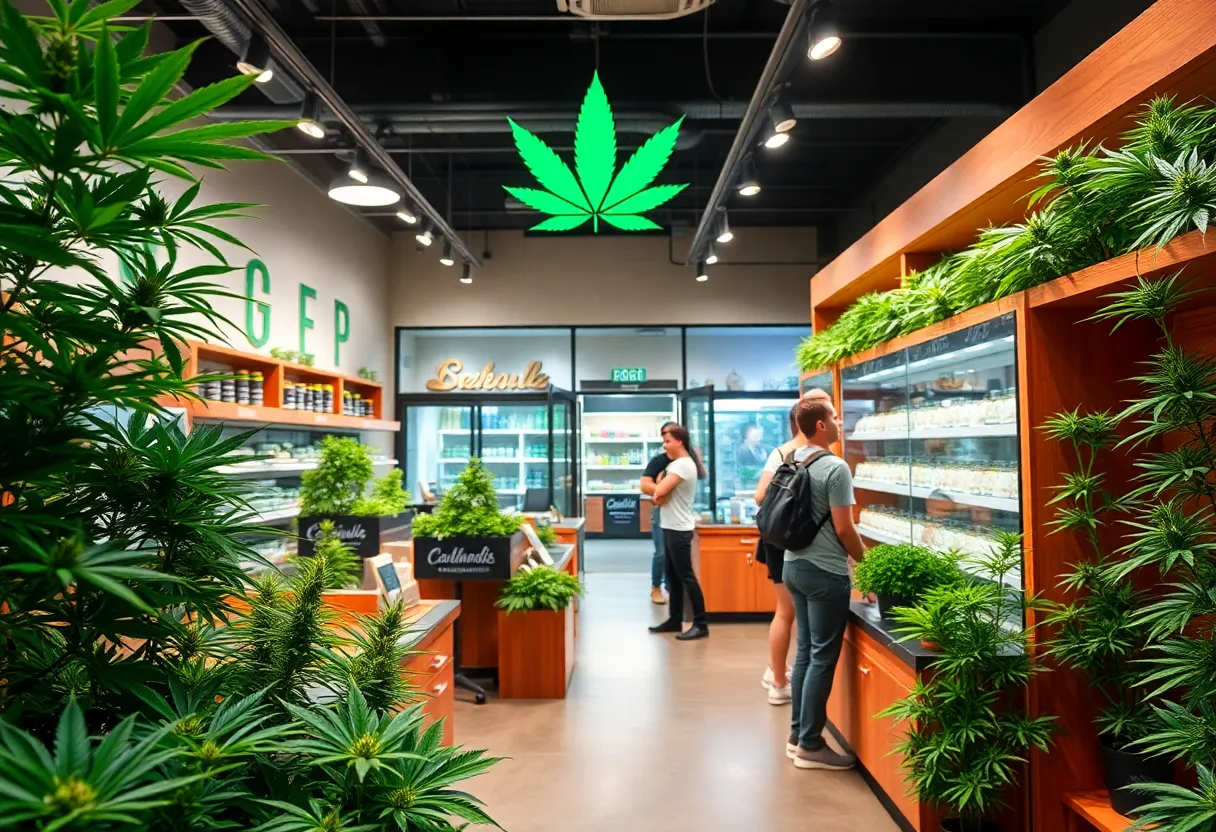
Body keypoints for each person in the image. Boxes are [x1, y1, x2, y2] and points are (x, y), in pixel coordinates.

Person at [783, 396, 866, 770]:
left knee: (805, 652)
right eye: (834, 417)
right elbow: (845, 527)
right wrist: (865, 563)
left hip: (793, 566)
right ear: (820, 426)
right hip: (824, 572)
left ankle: (797, 735)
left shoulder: (793, 460)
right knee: (821, 657)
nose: (838, 421)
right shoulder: (835, 467)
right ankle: (812, 745)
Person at [753, 388, 832, 706]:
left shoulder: (788, 452)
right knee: (788, 613)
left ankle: (777, 673)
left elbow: (762, 498)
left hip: (784, 539)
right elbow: (761, 495)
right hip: (792, 541)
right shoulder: (792, 453)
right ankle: (780, 679)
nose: (834, 417)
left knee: (787, 612)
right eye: (829, 410)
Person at [647, 424, 710, 641]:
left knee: (686, 576)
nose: (665, 446)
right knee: (673, 577)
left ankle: (701, 623)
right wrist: (659, 490)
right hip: (670, 526)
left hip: (679, 529)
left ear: (679, 442)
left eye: (668, 441)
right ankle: (674, 619)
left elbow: (659, 494)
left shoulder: (682, 465)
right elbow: (660, 495)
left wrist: (658, 486)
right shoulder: (677, 465)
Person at [639, 421, 676, 605]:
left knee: (675, 552)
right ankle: (655, 587)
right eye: (664, 438)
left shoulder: (687, 460)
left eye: (669, 438)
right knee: (661, 551)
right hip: (662, 510)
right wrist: (662, 490)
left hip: (682, 513)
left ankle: (672, 588)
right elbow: (645, 484)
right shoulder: (659, 461)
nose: (665, 442)